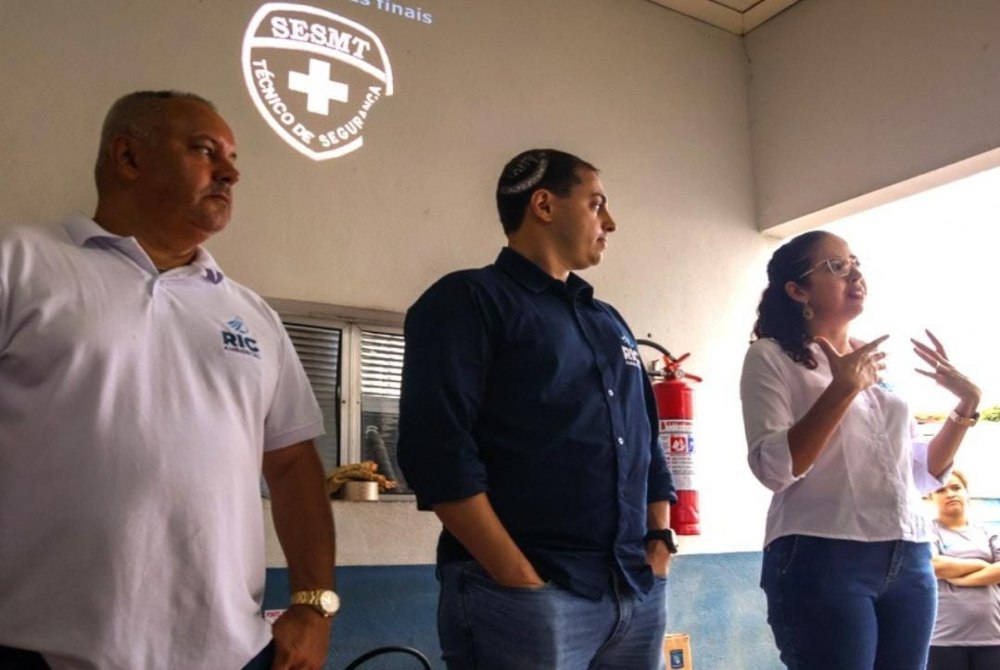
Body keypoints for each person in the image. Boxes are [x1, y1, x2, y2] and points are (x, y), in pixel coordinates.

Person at [0, 91, 337, 670]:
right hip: (39, 649)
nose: (230, 173)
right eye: (205, 151)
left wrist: (313, 603)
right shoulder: (20, 263)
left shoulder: (251, 313)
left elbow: (291, 464)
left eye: (232, 159)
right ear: (128, 157)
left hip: (230, 653)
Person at [397, 148, 676, 670]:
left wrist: (658, 543)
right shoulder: (468, 300)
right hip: (525, 596)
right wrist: (517, 579)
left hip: (633, 588)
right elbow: (435, 451)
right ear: (544, 205)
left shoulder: (608, 321)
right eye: (596, 204)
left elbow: (646, 442)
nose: (610, 222)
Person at [740, 230, 981, 670]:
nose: (854, 274)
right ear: (797, 290)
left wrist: (966, 406)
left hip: (910, 554)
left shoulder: (873, 363)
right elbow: (774, 468)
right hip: (823, 552)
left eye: (854, 263)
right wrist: (842, 389)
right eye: (835, 267)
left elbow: (920, 472)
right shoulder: (771, 356)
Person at [927, 470, 1000, 669]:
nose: (950, 494)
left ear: (967, 493)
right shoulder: (927, 532)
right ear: (931, 497)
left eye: (956, 488)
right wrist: (982, 565)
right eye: (941, 490)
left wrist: (960, 578)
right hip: (943, 640)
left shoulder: (988, 532)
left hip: (992, 638)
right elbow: (934, 565)